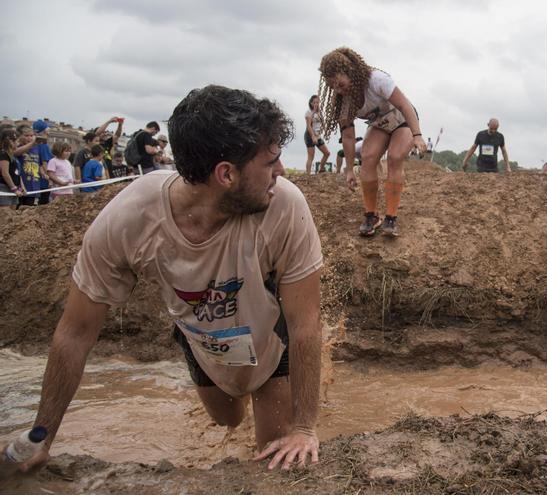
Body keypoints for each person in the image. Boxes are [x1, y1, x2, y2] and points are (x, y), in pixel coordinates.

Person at [4, 85, 324, 475]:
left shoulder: (285, 207)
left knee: (273, 455)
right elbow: (75, 334)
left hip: (270, 335)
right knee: (227, 419)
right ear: (226, 174)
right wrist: (42, 435)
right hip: (203, 334)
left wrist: (305, 428)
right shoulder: (131, 218)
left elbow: (305, 325)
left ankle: (278, 407)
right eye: (271, 162)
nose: (281, 172)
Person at [318, 46, 426, 237]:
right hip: (381, 125)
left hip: (403, 120)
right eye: (332, 86)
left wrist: (417, 135)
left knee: (395, 156)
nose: (337, 89)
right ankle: (371, 215)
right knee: (367, 156)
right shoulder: (342, 100)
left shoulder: (376, 80)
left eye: (339, 82)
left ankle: (391, 218)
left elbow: (404, 104)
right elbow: (349, 137)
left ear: (349, 70)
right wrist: (350, 168)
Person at [14, 122, 53, 206]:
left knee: (29, 210)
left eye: (32, 136)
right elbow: (16, 153)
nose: (30, 138)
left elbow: (38, 163)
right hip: (22, 185)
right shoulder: (18, 146)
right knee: (19, 209)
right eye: (26, 135)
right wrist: (31, 144)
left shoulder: (36, 148)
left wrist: (43, 173)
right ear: (20, 136)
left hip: (34, 184)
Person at [304, 95, 330, 174]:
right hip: (309, 135)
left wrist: (325, 130)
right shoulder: (309, 112)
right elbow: (308, 126)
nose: (316, 104)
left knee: (327, 153)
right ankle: (308, 175)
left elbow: (322, 122)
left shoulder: (319, 113)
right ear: (311, 103)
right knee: (311, 156)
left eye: (317, 102)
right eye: (314, 102)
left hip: (317, 136)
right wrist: (313, 137)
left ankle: (321, 169)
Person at [0, 128, 24, 208]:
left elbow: (17, 173)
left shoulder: (13, 156)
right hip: (5, 188)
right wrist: (14, 188)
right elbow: (5, 173)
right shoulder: (3, 154)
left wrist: (22, 187)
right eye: (17, 141)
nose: (18, 143)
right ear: (10, 142)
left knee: (12, 215)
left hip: (15, 188)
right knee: (5, 214)